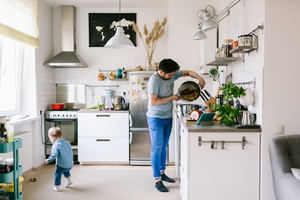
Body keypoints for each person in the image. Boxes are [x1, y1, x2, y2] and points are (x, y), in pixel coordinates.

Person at [147, 58, 205, 192]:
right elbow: (153, 102)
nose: (173, 76)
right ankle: (157, 180)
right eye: (170, 74)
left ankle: (162, 173)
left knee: (164, 146)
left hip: (167, 116)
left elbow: (188, 72)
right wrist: (172, 98)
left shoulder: (171, 74)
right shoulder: (154, 81)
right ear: (161, 72)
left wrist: (200, 79)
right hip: (155, 118)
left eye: (174, 74)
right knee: (157, 148)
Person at [45, 127, 73, 192]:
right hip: (70, 164)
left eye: (50, 138)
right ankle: (69, 180)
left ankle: (57, 187)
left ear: (53, 137)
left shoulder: (56, 145)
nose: (50, 140)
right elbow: (70, 152)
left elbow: (54, 155)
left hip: (61, 165)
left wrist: (48, 160)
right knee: (66, 170)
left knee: (57, 174)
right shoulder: (67, 142)